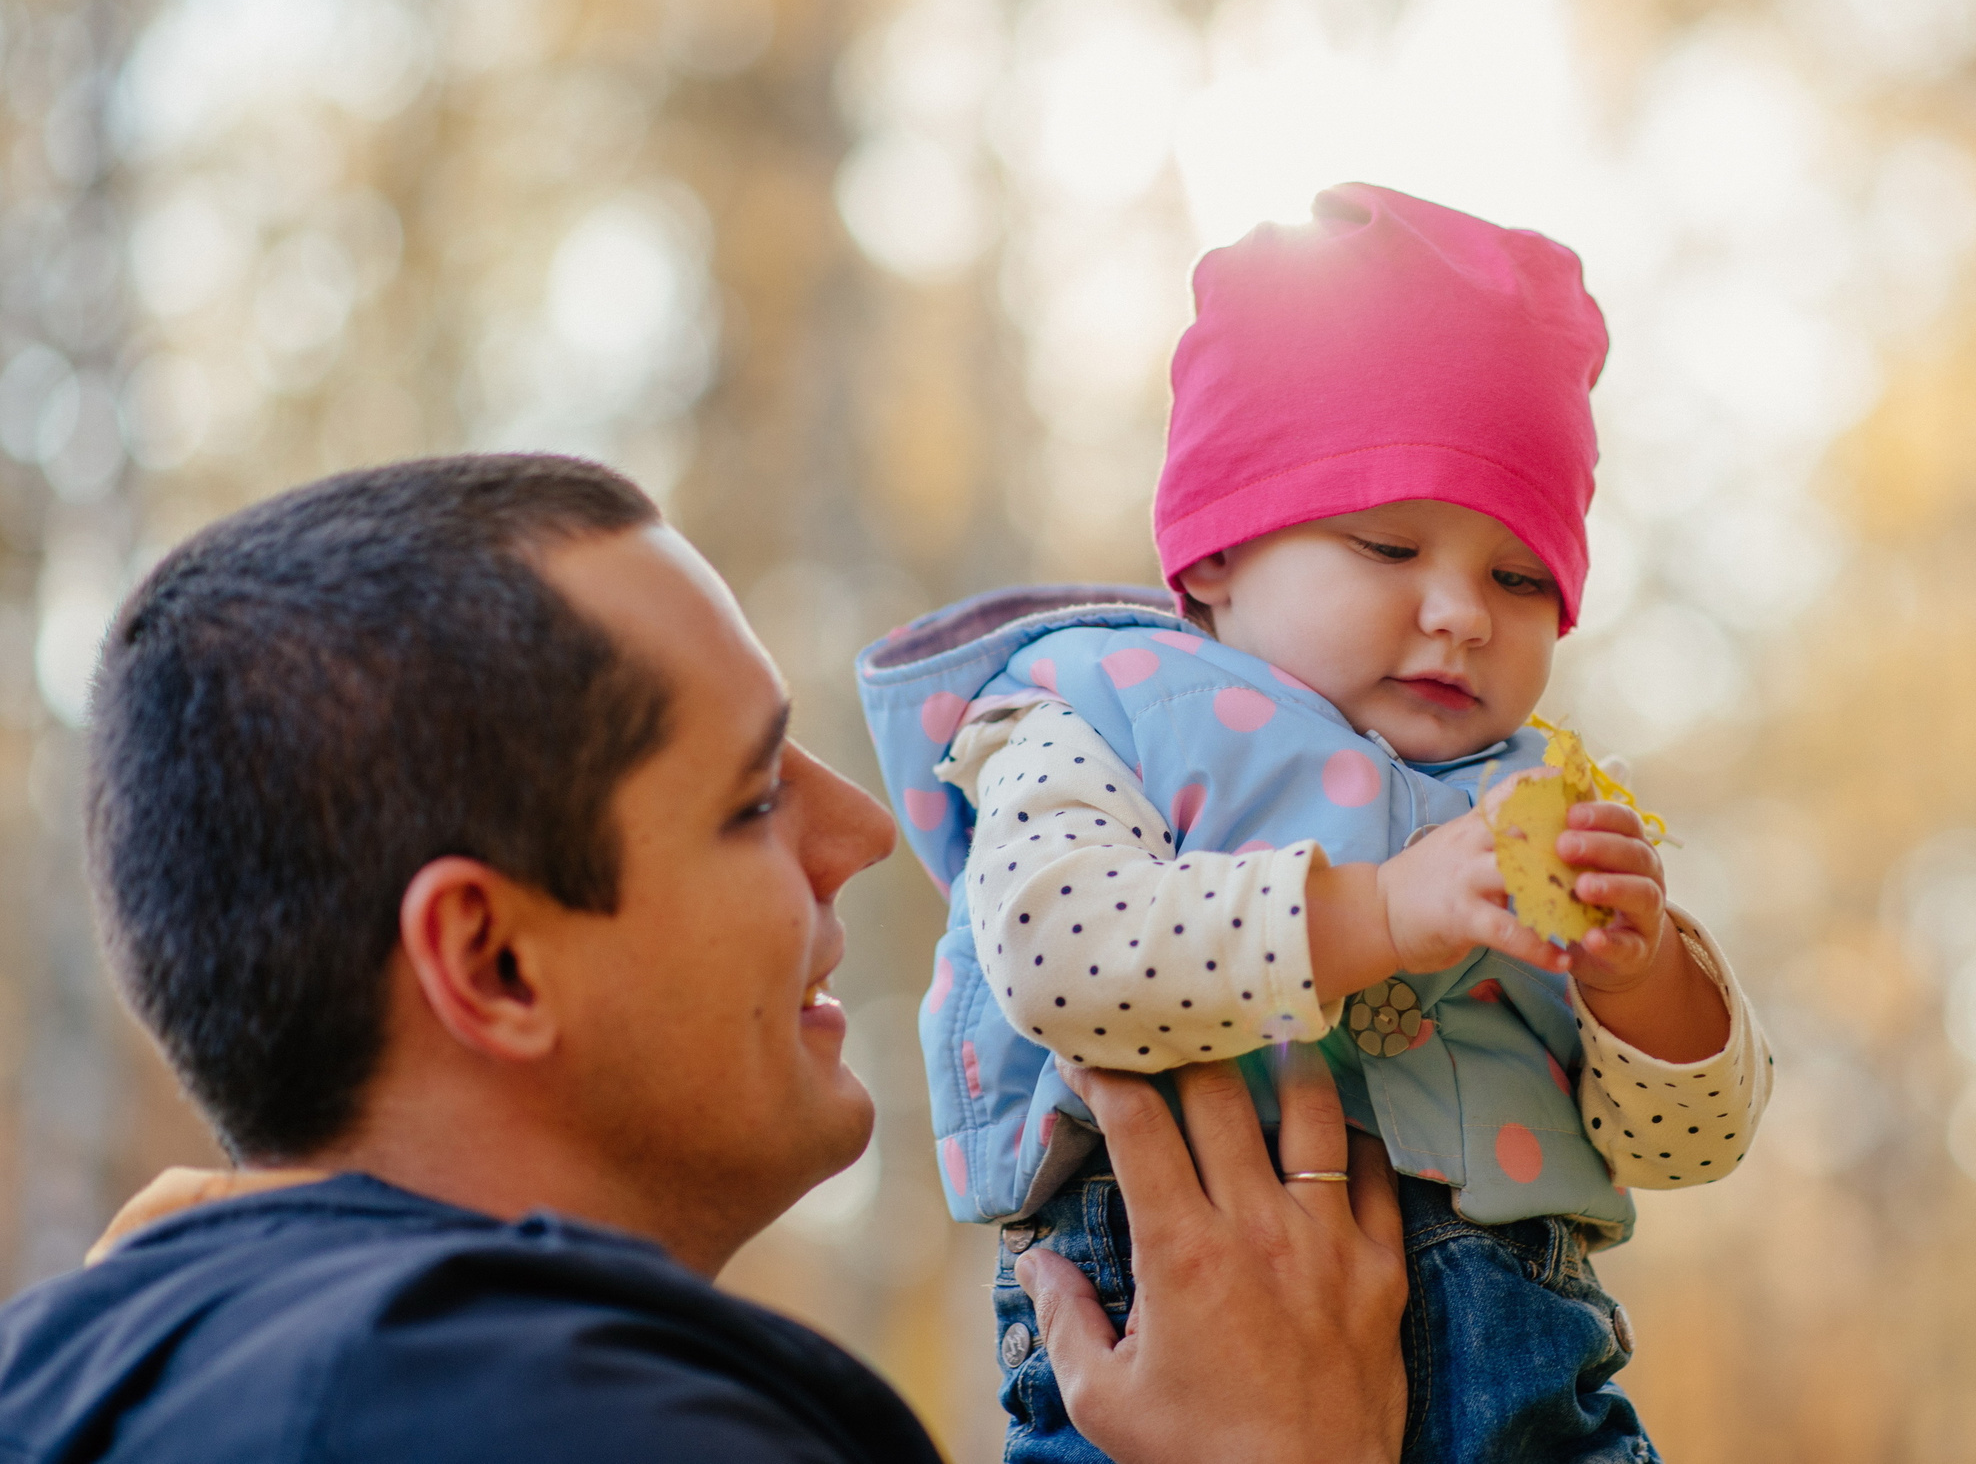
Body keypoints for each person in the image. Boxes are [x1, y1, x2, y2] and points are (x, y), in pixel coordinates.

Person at [0, 455, 1410, 1464]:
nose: (863, 828)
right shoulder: (548, 1414)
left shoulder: (78, 1369)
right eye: (750, 798)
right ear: (491, 962)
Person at [860, 185, 1775, 1463]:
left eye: (1519, 577)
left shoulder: (1535, 800)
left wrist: (1644, 978)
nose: (1461, 610)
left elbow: (1691, 1143)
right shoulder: (1095, 713)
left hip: (1532, 1368)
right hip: (1167, 1342)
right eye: (1387, 543)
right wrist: (1380, 913)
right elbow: (1059, 955)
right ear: (1216, 560)